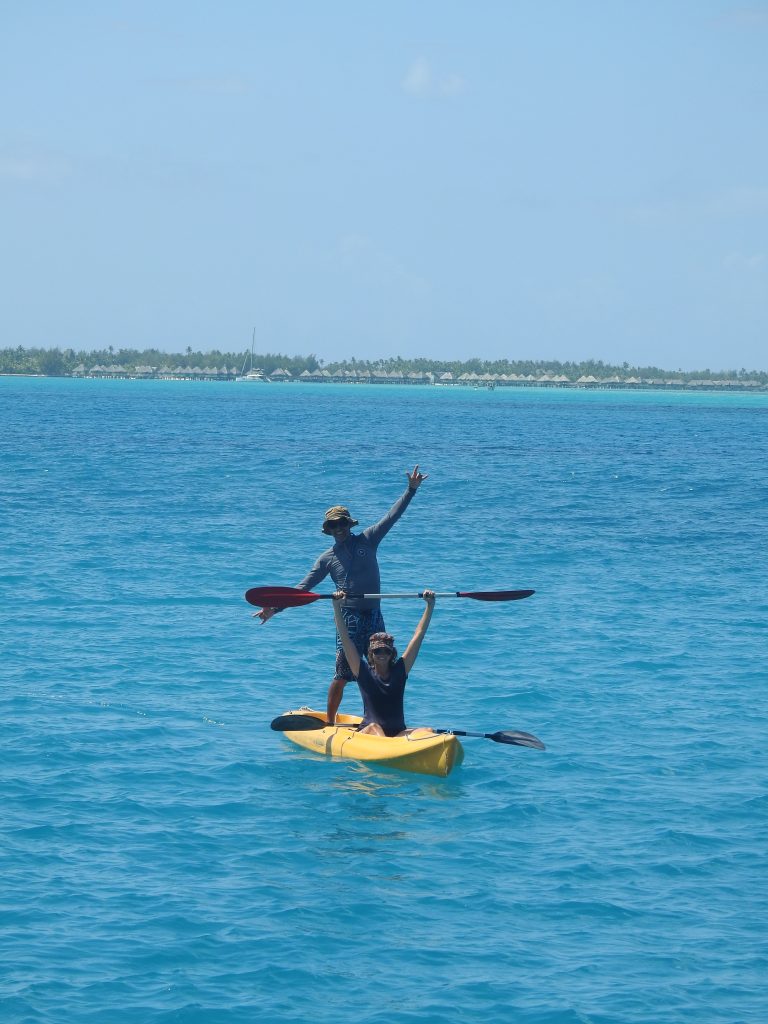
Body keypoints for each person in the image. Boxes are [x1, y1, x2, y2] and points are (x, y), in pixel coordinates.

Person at [256, 465, 428, 723]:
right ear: (328, 529)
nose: (339, 528)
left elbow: (392, 516)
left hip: (375, 616)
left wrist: (411, 490)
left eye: (342, 523)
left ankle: (376, 718)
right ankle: (330, 721)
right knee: (343, 674)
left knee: (382, 670)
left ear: (349, 523)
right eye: (333, 525)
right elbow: (303, 589)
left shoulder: (369, 539)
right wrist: (274, 608)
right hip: (349, 619)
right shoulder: (327, 559)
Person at [332, 589, 436, 736]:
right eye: (377, 651)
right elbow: (345, 639)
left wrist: (430, 605)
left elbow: (419, 635)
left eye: (386, 651)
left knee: (428, 731)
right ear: (371, 654)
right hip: (370, 732)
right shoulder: (363, 671)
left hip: (397, 733)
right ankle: (388, 746)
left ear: (392, 653)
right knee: (376, 727)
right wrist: (336, 606)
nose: (382, 655)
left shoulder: (400, 670)